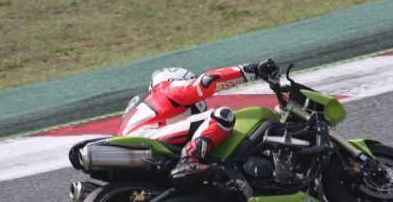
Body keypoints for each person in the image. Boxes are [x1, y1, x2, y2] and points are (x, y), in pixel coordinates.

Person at [118, 59, 280, 180]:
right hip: (145, 139)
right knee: (222, 114)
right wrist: (250, 71)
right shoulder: (167, 88)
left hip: (139, 147)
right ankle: (189, 161)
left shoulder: (150, 107)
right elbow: (205, 83)